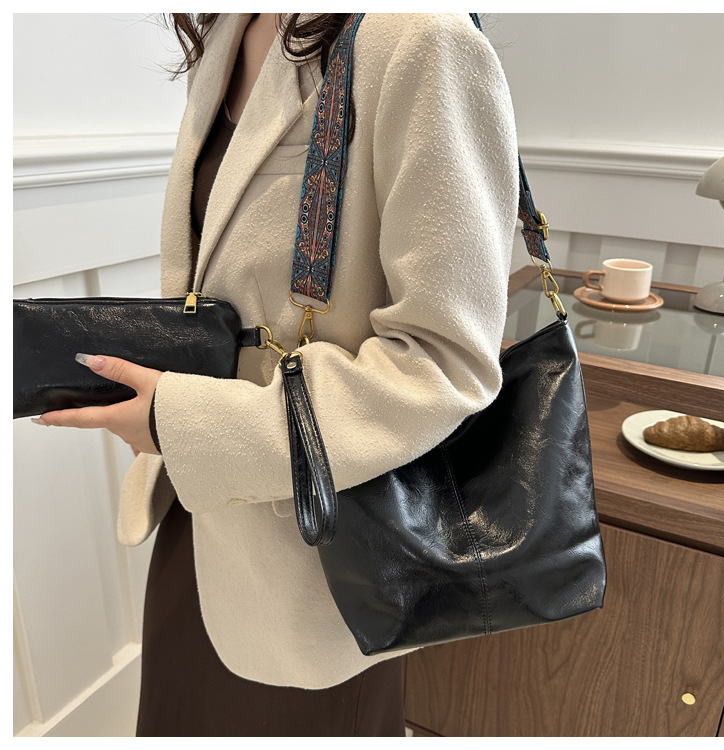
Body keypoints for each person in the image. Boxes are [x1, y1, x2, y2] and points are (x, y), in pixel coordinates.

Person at [33, 12, 519, 736]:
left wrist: (182, 422)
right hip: (198, 519)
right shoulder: (228, 29)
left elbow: (445, 359)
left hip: (322, 557)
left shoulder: (420, 37)